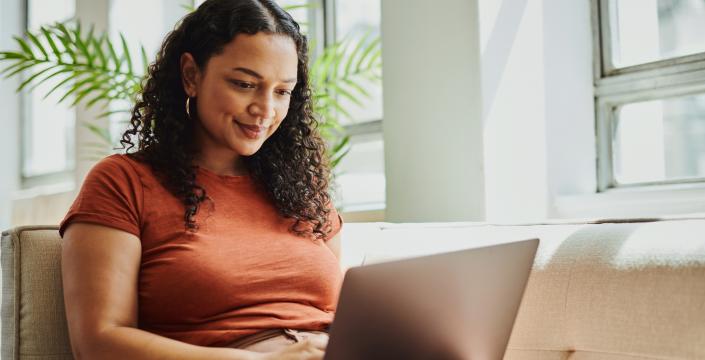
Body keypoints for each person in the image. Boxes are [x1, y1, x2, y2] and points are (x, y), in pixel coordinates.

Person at [59, 0, 343, 359]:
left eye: (282, 91)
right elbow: (98, 342)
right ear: (191, 75)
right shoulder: (122, 183)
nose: (266, 109)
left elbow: (344, 313)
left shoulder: (302, 191)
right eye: (244, 84)